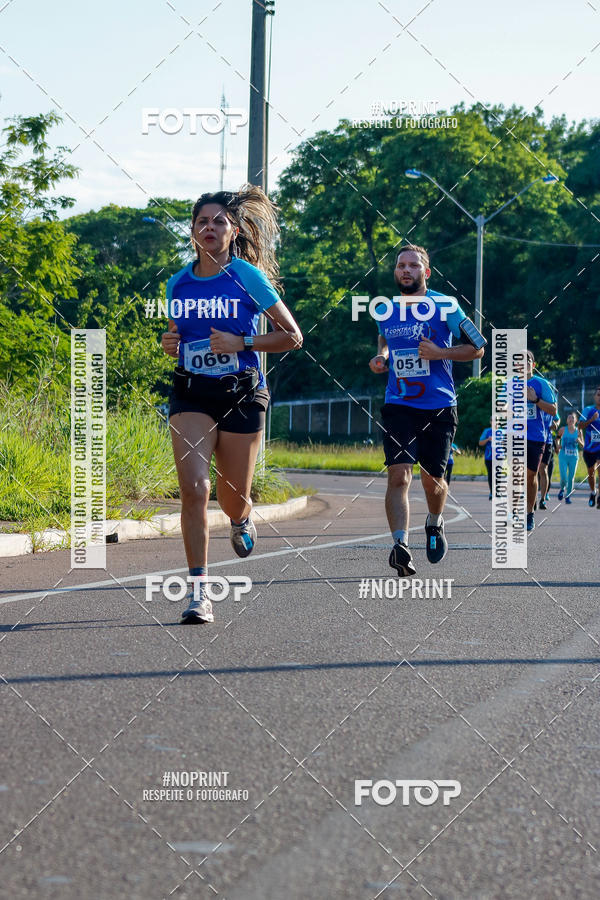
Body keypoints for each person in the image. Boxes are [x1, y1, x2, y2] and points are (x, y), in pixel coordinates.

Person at [161, 186, 303, 624]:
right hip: (191, 392)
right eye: (202, 222)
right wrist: (170, 343)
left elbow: (293, 337)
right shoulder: (178, 282)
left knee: (232, 498)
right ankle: (198, 592)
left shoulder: (247, 277)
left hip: (242, 391)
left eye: (218, 221)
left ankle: (242, 520)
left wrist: (242, 341)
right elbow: (177, 336)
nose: (209, 228)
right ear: (192, 231)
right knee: (195, 489)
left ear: (233, 230)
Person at [369, 244, 485, 575]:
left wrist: (440, 352)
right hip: (399, 405)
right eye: (401, 265)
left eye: (413, 265)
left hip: (438, 406)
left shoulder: (446, 305)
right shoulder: (387, 310)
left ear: (426, 272)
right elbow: (385, 340)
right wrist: (384, 358)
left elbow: (478, 348)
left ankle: (434, 522)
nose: (406, 270)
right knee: (399, 474)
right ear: (395, 271)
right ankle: (400, 546)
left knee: (433, 482)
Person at [526, 350, 557, 531]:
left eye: (527, 359)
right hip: (515, 436)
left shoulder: (541, 383)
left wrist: (535, 399)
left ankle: (529, 513)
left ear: (533, 364)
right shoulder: (510, 384)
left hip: (537, 437)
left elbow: (553, 410)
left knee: (531, 476)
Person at [579, 386, 600, 507]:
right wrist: (592, 420)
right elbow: (580, 426)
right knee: (591, 473)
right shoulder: (588, 410)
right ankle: (593, 492)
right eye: (598, 395)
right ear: (594, 396)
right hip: (589, 449)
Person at [557, 412, 583, 503]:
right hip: (563, 456)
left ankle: (568, 496)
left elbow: (583, 445)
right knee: (564, 477)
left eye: (573, 418)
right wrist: (558, 445)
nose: (571, 419)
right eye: (569, 418)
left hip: (574, 457)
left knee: (571, 477)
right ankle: (562, 488)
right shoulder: (563, 429)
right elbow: (557, 438)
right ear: (567, 420)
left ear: (575, 420)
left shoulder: (578, 431)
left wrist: (579, 441)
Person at [538, 413, 560, 510]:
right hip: (533, 440)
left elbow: (557, 419)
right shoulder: (531, 400)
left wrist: (555, 424)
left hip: (547, 441)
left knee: (543, 469)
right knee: (533, 471)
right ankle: (532, 497)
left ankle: (542, 499)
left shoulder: (550, 401)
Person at [479, 417, 493, 500]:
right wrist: (488, 439)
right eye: (493, 420)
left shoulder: (502, 431)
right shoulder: (487, 431)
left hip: (500, 457)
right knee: (491, 475)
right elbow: (480, 443)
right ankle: (492, 492)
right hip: (489, 457)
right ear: (490, 422)